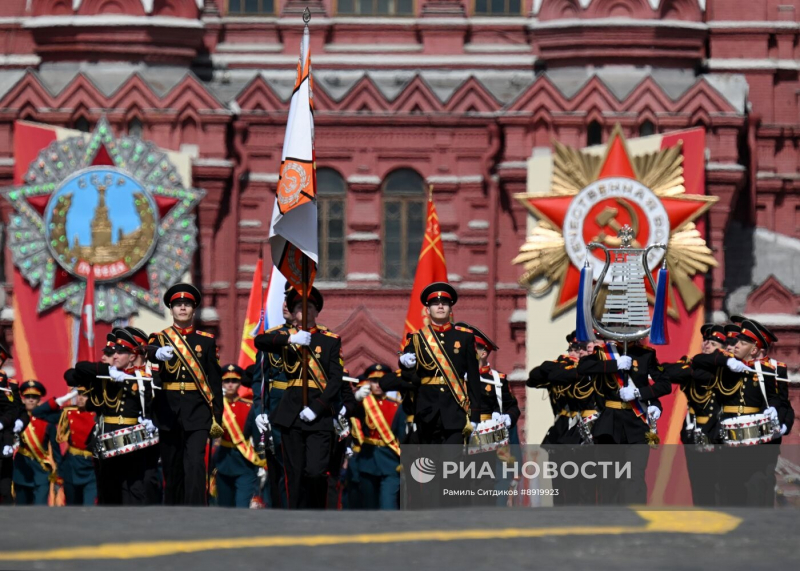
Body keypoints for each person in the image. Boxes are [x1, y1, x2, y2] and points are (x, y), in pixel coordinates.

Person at [253, 286, 344, 509]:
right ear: (293, 313)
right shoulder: (286, 337)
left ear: (316, 311)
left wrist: (318, 407)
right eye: (299, 308)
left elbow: (335, 380)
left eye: (309, 307)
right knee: (293, 474)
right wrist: (290, 341)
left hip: (318, 413)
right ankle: (294, 517)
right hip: (291, 411)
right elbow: (260, 341)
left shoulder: (330, 340)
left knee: (315, 472)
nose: (305, 312)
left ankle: (317, 512)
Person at [692, 319, 782, 506]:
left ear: (755, 349)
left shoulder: (768, 370)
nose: (734, 346)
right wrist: (727, 361)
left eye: (741, 343)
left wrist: (777, 414)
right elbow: (699, 360)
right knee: (726, 487)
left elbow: (779, 401)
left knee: (755, 487)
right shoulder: (726, 367)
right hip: (726, 436)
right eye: (735, 342)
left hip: (755, 439)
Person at [148, 283, 223, 506]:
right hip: (168, 410)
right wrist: (157, 353)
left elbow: (215, 382)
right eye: (178, 305)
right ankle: (173, 510)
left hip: (197, 410)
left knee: (195, 464)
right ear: (171, 310)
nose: (182, 308)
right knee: (172, 467)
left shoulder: (206, 341)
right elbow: (147, 351)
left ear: (193, 309)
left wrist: (216, 417)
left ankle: (195, 509)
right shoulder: (159, 339)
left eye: (187, 305)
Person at [577, 337, 670, 504]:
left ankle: (636, 522)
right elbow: (583, 367)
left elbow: (664, 384)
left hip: (637, 424)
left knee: (635, 477)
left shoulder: (645, 354)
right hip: (609, 425)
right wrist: (615, 365)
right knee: (609, 481)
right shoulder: (603, 353)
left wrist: (640, 394)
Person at [73, 328, 156, 505]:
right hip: (108, 433)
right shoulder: (107, 375)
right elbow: (77, 370)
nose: (115, 356)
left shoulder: (142, 379)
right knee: (108, 486)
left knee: (134, 485)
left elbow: (153, 404)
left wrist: (150, 420)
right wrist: (107, 370)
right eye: (114, 352)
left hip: (133, 436)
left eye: (121, 352)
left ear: (132, 356)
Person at [397, 282, 482, 445]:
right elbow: (407, 371)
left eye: (445, 303)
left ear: (451, 309)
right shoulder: (417, 338)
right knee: (431, 464)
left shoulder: (464, 338)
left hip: (455, 410)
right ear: (427, 310)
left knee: (452, 464)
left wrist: (475, 415)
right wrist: (405, 363)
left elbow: (473, 377)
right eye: (435, 304)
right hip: (427, 410)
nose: (440, 306)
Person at [661, 324, 721, 506]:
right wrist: (693, 368)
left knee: (722, 484)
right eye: (705, 341)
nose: (706, 345)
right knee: (699, 483)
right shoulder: (691, 363)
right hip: (695, 432)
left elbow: (709, 377)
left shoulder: (728, 367)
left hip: (719, 432)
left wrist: (693, 370)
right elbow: (667, 371)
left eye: (713, 343)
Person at [33, 372, 97, 506]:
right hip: (72, 465)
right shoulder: (69, 412)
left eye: (84, 395)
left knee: (90, 507)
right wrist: (64, 398)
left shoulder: (98, 414)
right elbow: (38, 413)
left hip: (92, 466)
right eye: (78, 394)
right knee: (72, 506)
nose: (80, 398)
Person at [349, 363, 405, 510]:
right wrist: (356, 400)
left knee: (388, 505)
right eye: (374, 381)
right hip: (368, 460)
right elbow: (350, 415)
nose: (378, 385)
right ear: (368, 382)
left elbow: (402, 436)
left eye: (382, 381)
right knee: (369, 507)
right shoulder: (363, 404)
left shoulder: (397, 406)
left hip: (390, 461)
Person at [213, 364, 263, 508]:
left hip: (245, 463)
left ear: (239, 383)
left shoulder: (249, 406)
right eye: (226, 381)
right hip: (223, 461)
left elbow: (257, 435)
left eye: (234, 381)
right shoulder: (216, 406)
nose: (230, 385)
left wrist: (261, 460)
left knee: (242, 507)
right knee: (224, 508)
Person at [13, 380, 60, 505]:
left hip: (41, 470)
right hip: (21, 469)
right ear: (23, 399)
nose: (31, 400)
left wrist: (59, 474)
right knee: (21, 511)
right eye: (27, 397)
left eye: (34, 397)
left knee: (40, 510)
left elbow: (55, 449)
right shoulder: (15, 417)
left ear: (39, 400)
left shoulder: (47, 421)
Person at [0, 343, 22, 505]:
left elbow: (14, 410)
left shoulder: (6, 385)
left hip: (2, 442)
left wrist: (1, 423)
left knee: (4, 489)